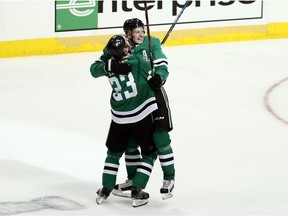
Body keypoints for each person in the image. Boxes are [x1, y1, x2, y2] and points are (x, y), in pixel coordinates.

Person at [90, 34, 158, 207]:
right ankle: (137, 188)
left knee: (113, 154)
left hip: (119, 118)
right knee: (150, 153)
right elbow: (150, 65)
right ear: (126, 49)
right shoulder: (136, 61)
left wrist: (107, 65)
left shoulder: (110, 64)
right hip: (140, 116)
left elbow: (94, 69)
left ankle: (106, 188)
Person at [112, 18, 175, 200]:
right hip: (134, 102)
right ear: (128, 34)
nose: (141, 34)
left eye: (142, 30)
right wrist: (109, 64)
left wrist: (160, 77)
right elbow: (99, 64)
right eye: (137, 31)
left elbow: (162, 64)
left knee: (160, 137)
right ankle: (132, 180)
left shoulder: (152, 43)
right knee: (131, 142)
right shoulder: (121, 47)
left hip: (154, 97)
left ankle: (169, 179)